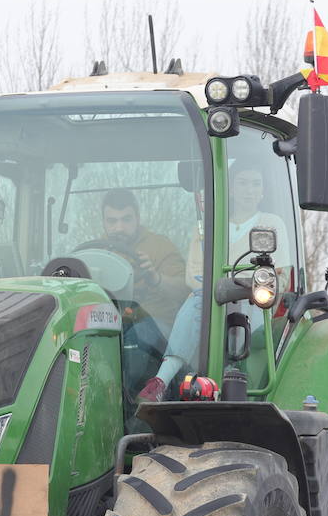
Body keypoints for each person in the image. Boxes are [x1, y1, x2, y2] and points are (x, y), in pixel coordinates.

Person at [136, 166, 288, 401]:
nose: (249, 190)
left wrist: (237, 285)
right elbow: (191, 277)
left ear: (263, 191)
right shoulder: (209, 226)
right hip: (209, 304)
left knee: (203, 301)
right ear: (232, 189)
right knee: (197, 301)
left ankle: (166, 379)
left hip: (255, 307)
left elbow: (280, 278)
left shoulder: (270, 223)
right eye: (243, 183)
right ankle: (177, 384)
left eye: (255, 184)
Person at [99, 189, 188, 330]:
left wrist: (156, 278)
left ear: (138, 218)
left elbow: (185, 291)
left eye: (126, 219)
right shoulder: (96, 253)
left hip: (155, 326)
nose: (119, 227)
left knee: (135, 330)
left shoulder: (161, 246)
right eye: (112, 221)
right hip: (108, 322)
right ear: (103, 222)